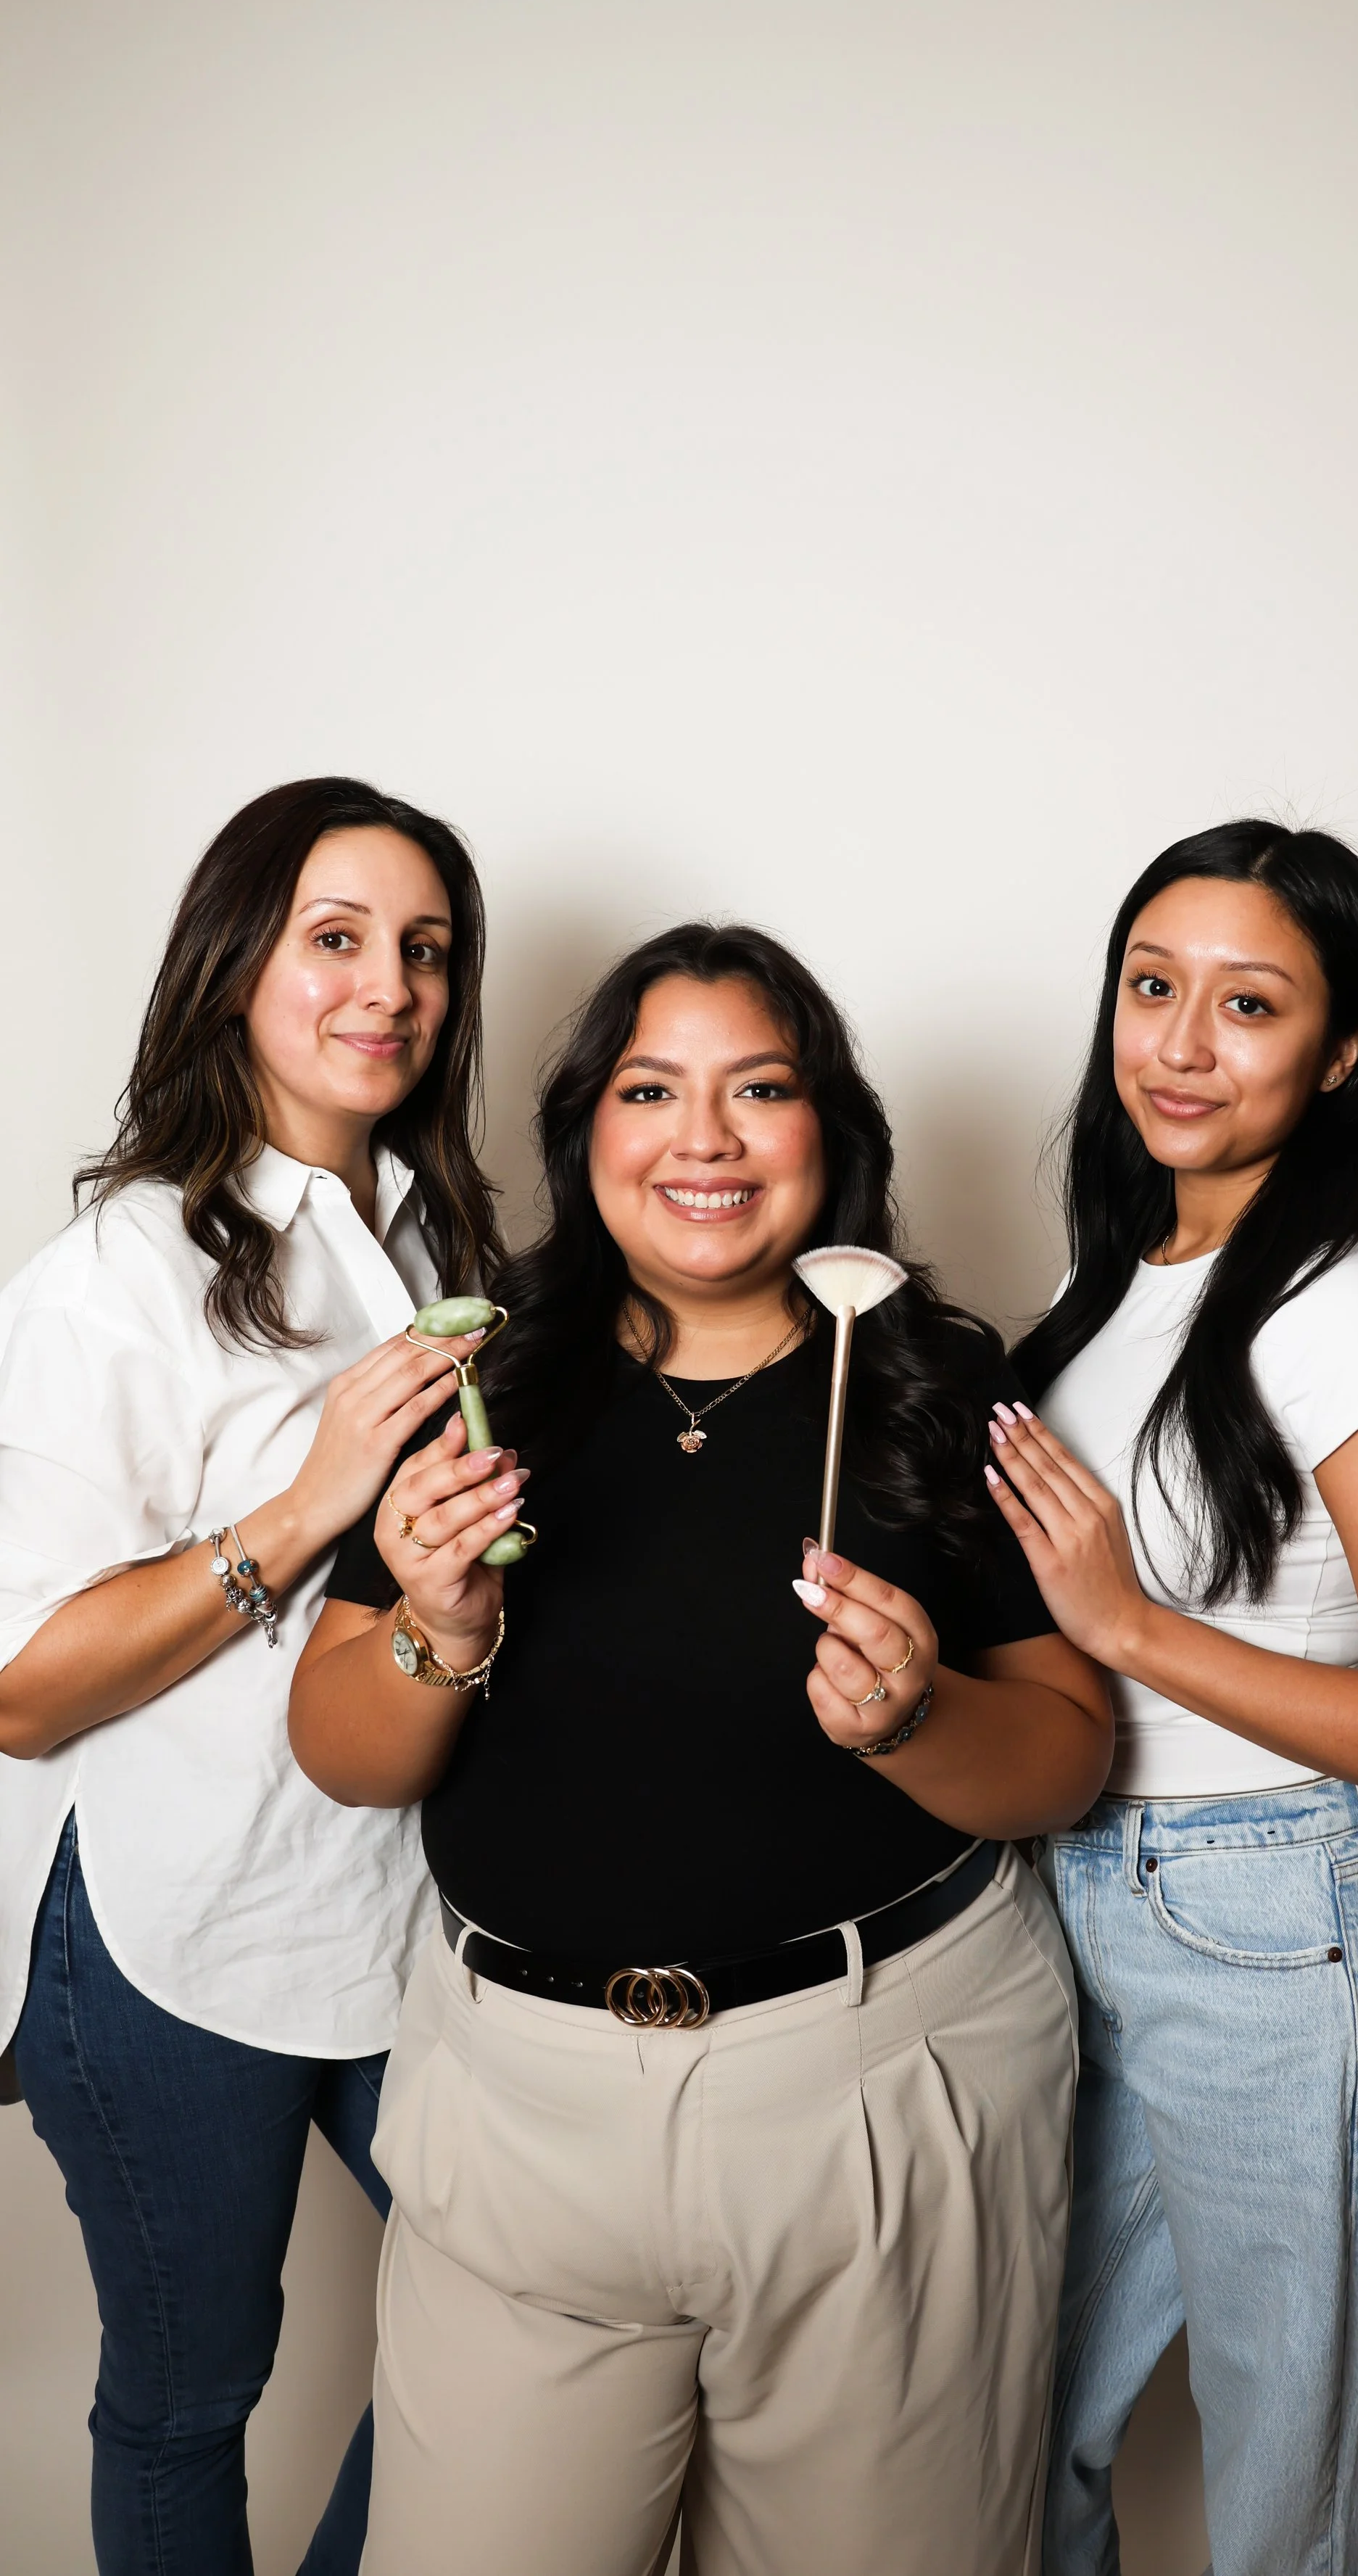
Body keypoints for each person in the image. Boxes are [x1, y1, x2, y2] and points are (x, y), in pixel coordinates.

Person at [289, 920, 1111, 2576]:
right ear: (585, 1129)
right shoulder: (486, 1385)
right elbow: (345, 1751)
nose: (705, 1139)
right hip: (517, 2114)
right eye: (652, 1090)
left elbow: (1068, 1759)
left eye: (760, 1089)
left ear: (833, 1134)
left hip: (881, 2105)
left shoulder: (932, 1385)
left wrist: (918, 1718)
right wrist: (437, 1627)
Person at [985, 822, 1358, 2576]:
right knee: (1004, 2446)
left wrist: (1131, 1630)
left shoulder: (1346, 1305)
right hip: (1089, 1914)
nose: (1180, 1044)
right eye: (1151, 989)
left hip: (1292, 1930)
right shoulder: (1099, 1302)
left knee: (1292, 2518)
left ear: (1342, 1048)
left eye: (1247, 1004)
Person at [0, 777, 498, 2576]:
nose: (389, 987)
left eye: (426, 952)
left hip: (392, 1904)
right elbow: (23, 1690)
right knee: (189, 2396)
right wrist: (304, 1508)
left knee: (508, 2326)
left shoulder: (436, 1248)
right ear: (234, 972)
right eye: (338, 940)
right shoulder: (111, 1279)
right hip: (162, 1933)